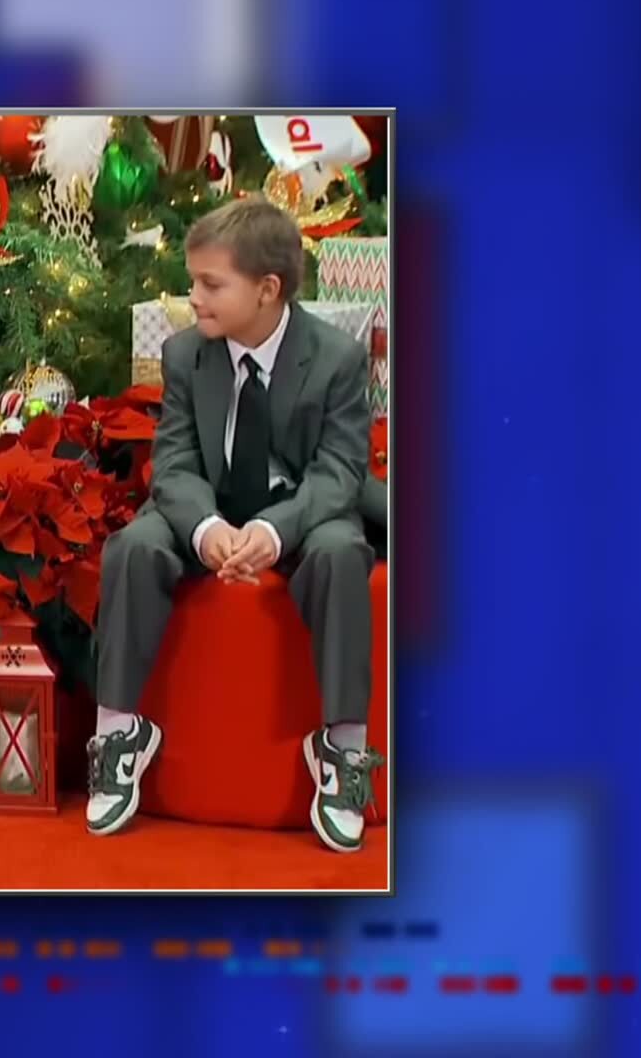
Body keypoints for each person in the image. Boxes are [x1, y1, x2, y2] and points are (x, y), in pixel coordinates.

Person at [89, 199, 382, 852]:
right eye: (193, 281)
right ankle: (118, 733)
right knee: (134, 546)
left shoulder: (336, 358)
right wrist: (205, 529)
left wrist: (274, 531)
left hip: (305, 510)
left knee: (341, 552)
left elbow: (339, 472)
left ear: (267, 289)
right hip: (209, 505)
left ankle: (343, 749)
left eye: (210, 284)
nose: (193, 297)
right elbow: (173, 464)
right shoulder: (185, 354)